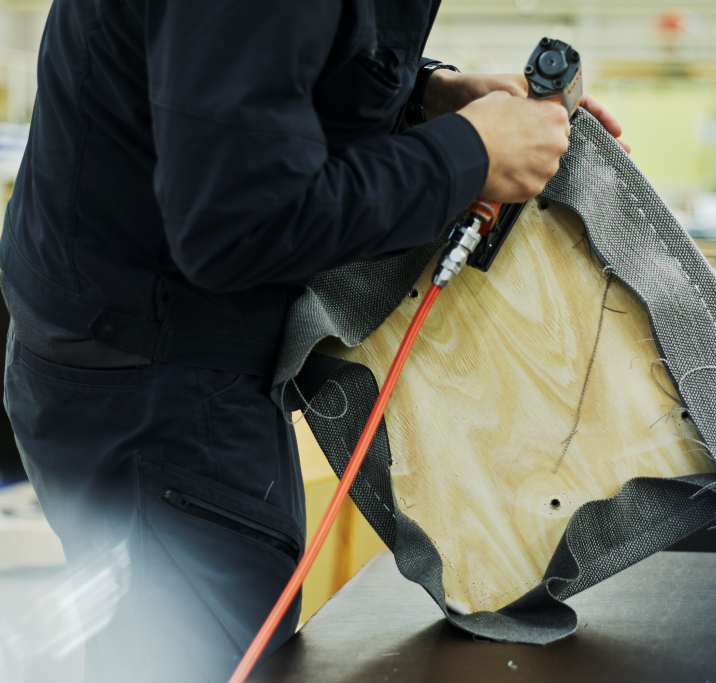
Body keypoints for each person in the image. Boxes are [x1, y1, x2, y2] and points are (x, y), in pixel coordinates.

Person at [0, 1, 628, 681]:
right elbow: (235, 219)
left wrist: (425, 97)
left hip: (123, 345)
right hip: (162, 389)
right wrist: (467, 155)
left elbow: (241, 78)